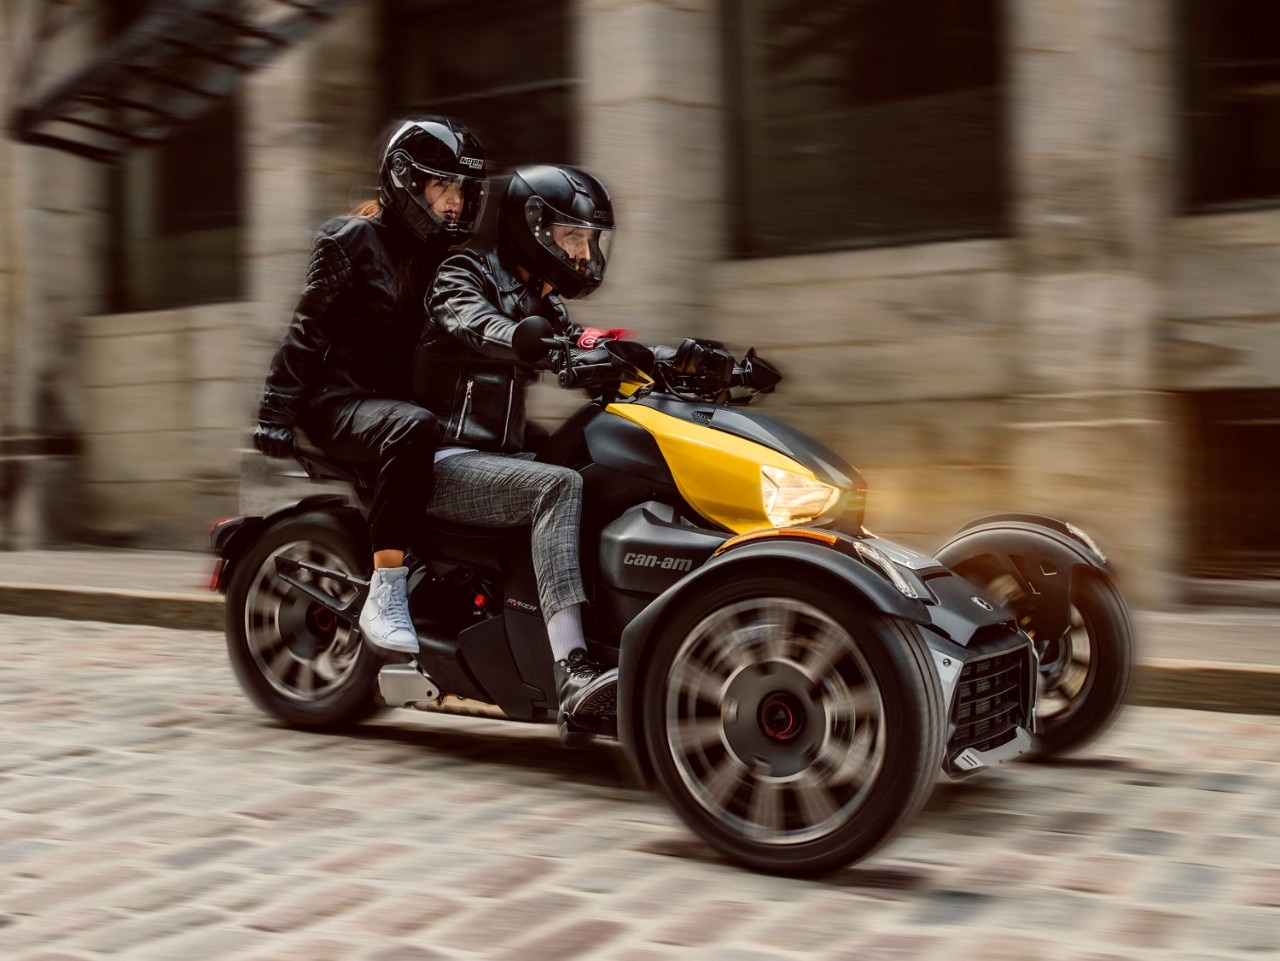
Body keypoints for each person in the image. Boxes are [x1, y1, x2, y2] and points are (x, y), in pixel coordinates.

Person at [252, 117, 488, 655]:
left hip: (395, 403)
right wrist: (275, 411)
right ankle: (386, 592)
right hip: (338, 402)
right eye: (443, 186)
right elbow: (306, 333)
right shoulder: (350, 240)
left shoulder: (444, 258)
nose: (455, 201)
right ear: (406, 181)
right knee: (414, 428)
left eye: (462, 189)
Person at [412, 164, 623, 741]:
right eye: (572, 238)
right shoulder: (463, 274)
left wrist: (670, 358)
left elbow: (582, 342)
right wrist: (529, 340)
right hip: (440, 459)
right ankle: (572, 671)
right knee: (559, 485)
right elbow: (475, 323)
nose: (582, 251)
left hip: (494, 463)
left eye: (588, 240)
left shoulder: (543, 299)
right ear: (532, 228)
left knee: (598, 474)